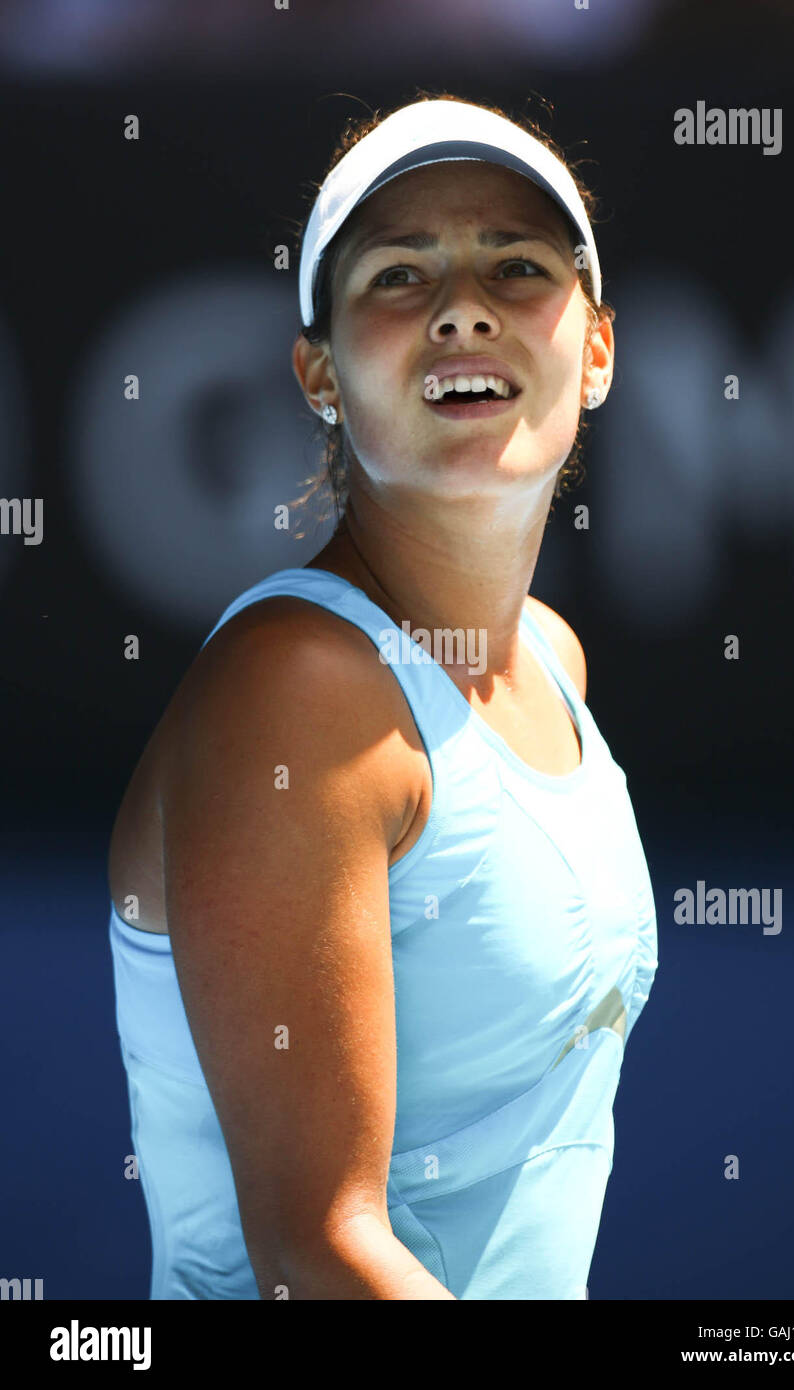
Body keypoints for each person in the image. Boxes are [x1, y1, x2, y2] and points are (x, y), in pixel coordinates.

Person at [108, 91, 658, 1300]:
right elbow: (322, 1253)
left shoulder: (552, 663)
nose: (462, 305)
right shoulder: (294, 690)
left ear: (598, 348)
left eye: (515, 267)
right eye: (398, 277)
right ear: (317, 371)